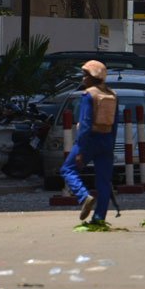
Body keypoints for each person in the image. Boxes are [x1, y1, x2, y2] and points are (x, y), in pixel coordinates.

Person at [61, 60, 119, 223]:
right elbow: (115, 124)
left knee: (68, 169)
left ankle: (83, 196)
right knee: (103, 181)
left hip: (90, 139)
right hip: (107, 139)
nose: (83, 79)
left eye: (85, 75)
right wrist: (111, 147)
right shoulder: (112, 95)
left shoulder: (89, 95)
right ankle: (99, 217)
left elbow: (85, 124)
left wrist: (80, 150)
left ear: (93, 77)